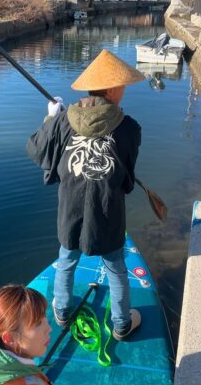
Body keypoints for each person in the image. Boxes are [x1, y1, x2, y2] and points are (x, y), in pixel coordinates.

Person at [26, 49, 145, 341]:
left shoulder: (64, 121)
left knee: (66, 260)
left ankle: (62, 312)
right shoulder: (129, 128)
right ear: (113, 89)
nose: (124, 91)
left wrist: (50, 119)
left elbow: (36, 149)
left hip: (70, 210)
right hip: (108, 210)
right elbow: (127, 179)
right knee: (116, 267)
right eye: (123, 87)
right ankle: (121, 324)